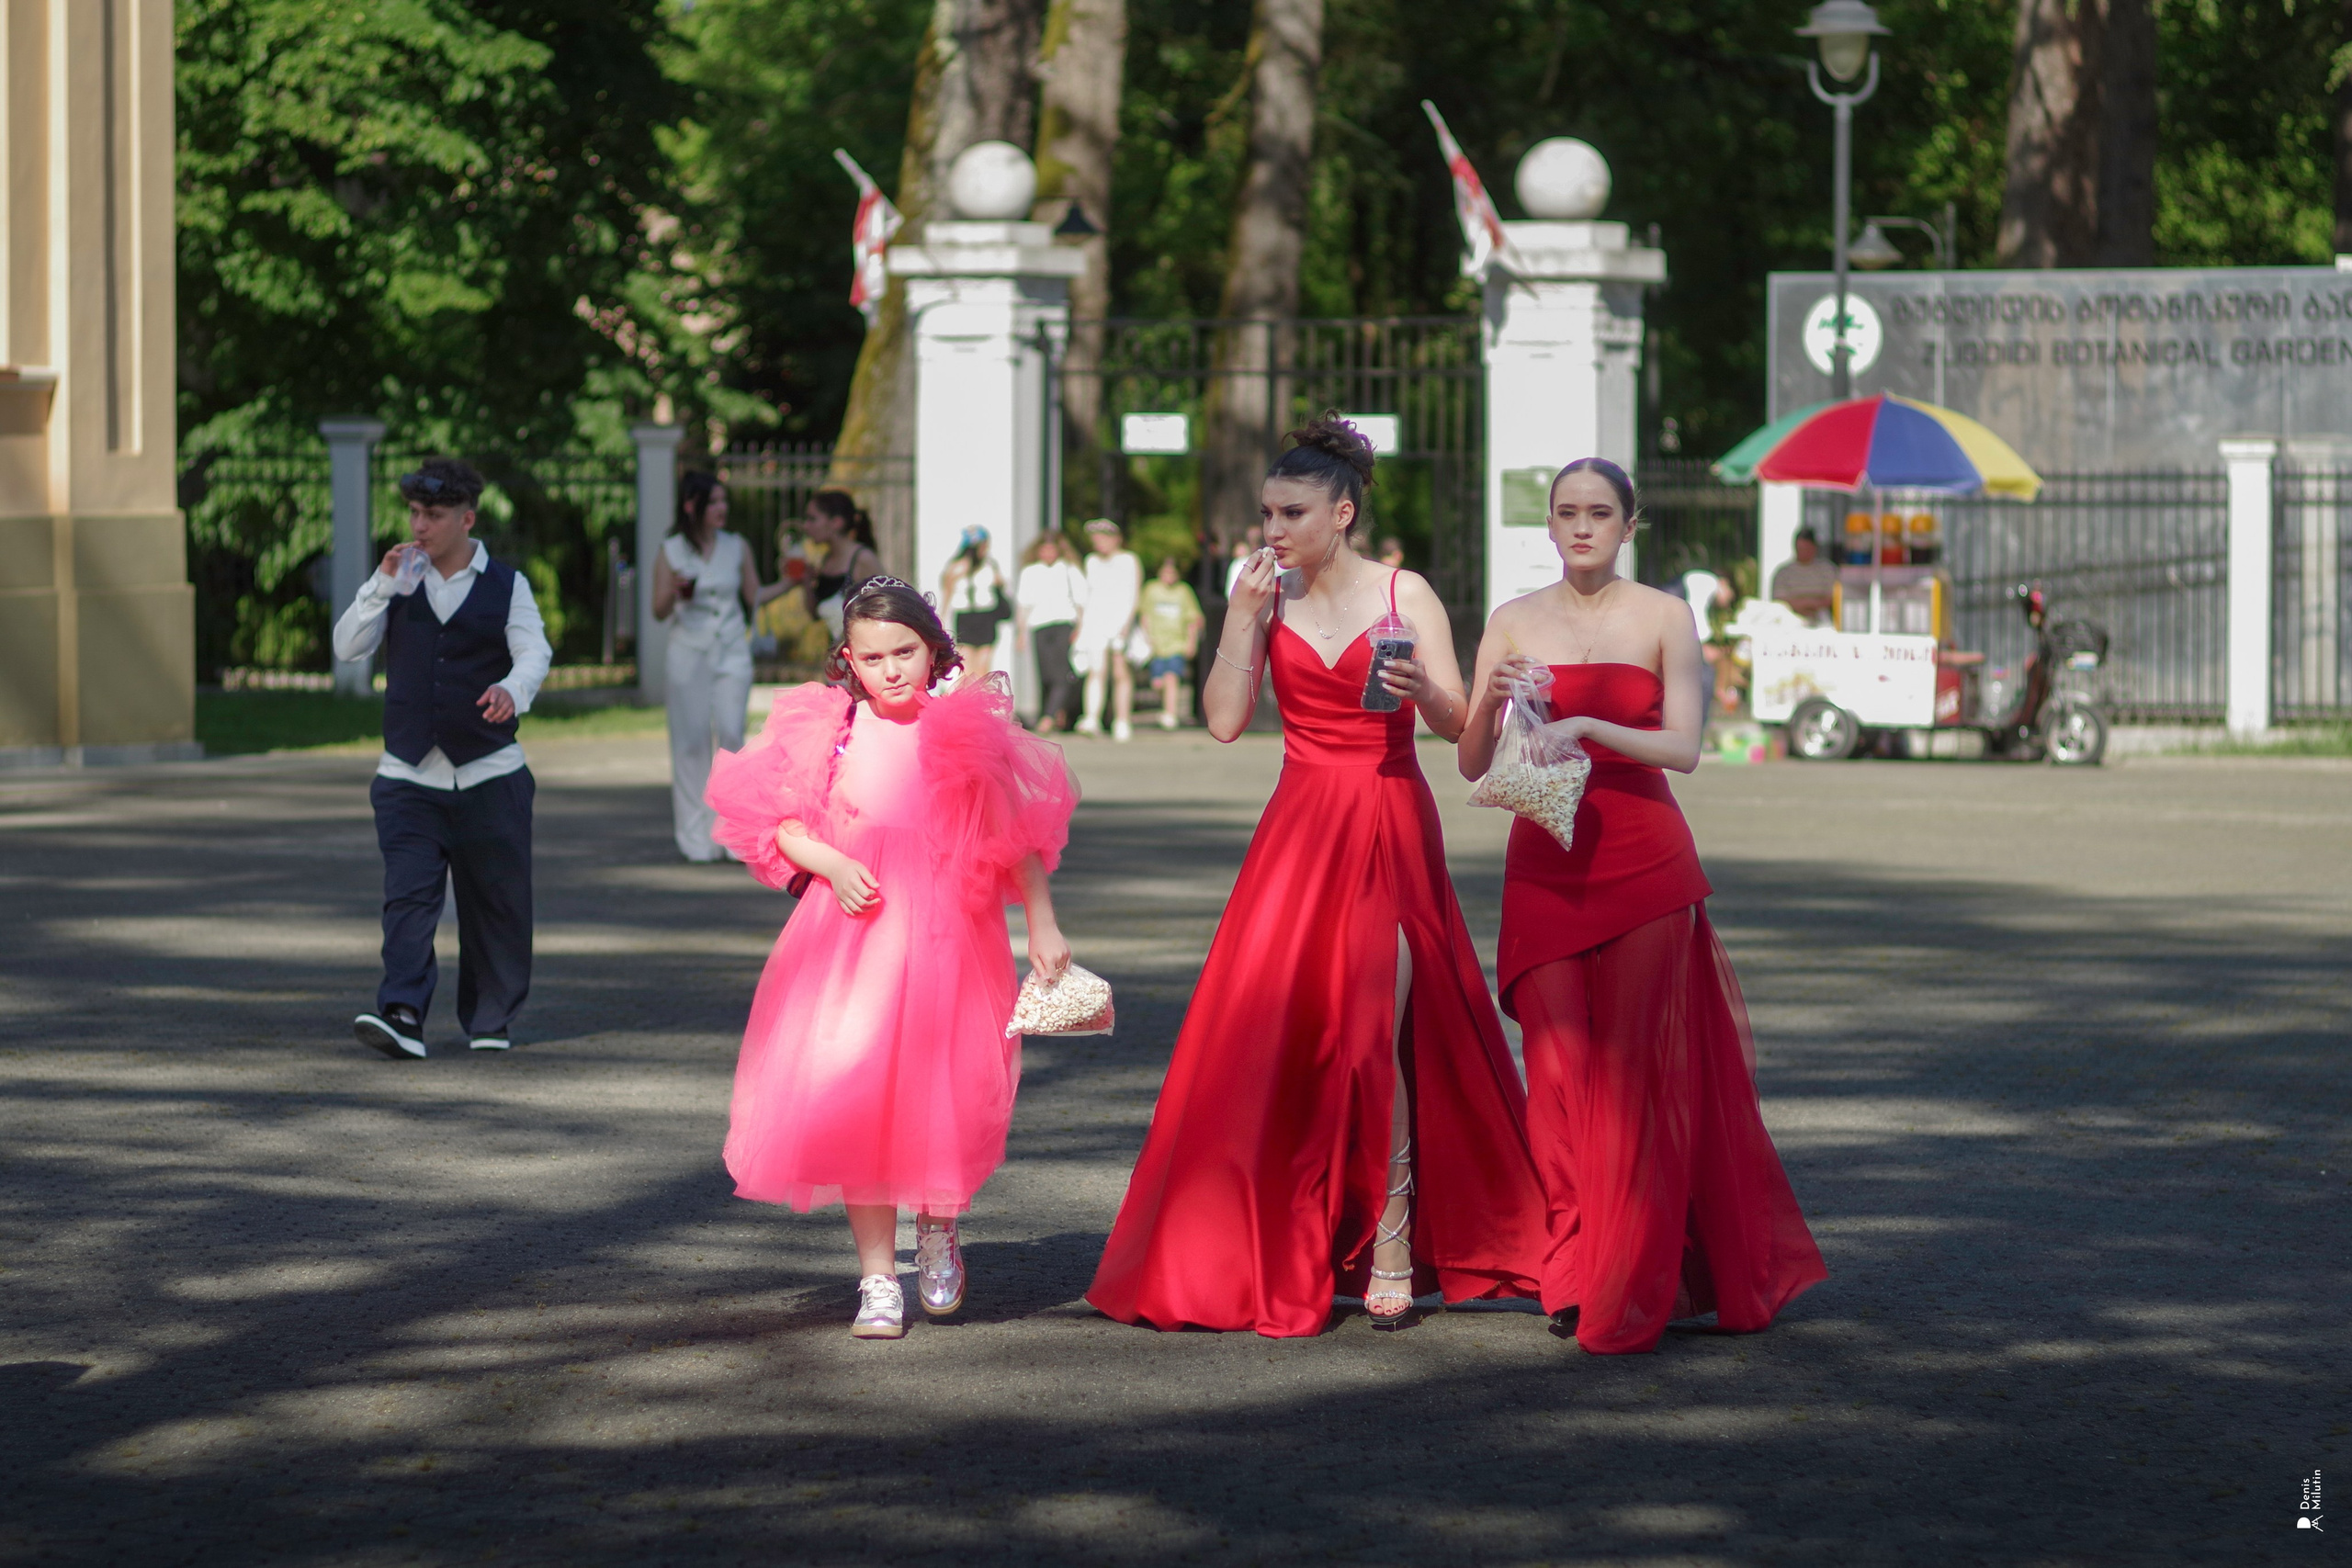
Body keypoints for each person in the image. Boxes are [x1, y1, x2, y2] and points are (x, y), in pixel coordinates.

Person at [1088, 415, 1551, 1337]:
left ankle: (1392, 1237)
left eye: (1291, 513)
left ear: (1342, 513)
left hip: (1386, 818)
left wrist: (1426, 692)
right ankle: (1279, 1231)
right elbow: (1224, 722)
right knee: (1282, 1031)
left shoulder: (1405, 593)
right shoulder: (1266, 598)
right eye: (1266, 513)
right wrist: (1240, 618)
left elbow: (1457, 723)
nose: (1273, 530)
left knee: (1377, 1028)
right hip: (1298, 831)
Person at [1460, 457, 1827, 1356]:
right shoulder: (1510, 619)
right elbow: (1470, 761)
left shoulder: (1665, 616)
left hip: (1645, 864)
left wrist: (1587, 725)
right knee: (1555, 1079)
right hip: (1543, 868)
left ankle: (1625, 1276)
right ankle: (1570, 1270)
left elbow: (1686, 747)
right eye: (1566, 513)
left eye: (1599, 513)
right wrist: (1490, 703)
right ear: (1549, 525)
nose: (1581, 527)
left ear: (1630, 526)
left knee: (1634, 1080)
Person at [704, 579, 1079, 1340]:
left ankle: (936, 1228)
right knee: (858, 1093)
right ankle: (877, 1274)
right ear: (849, 659)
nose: (890, 670)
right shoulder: (833, 728)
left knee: (942, 1085)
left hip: (949, 935)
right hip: (854, 936)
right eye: (871, 658)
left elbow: (1013, 836)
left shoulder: (960, 728)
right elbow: (782, 823)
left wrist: (1042, 922)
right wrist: (833, 862)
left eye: (904, 652)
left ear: (933, 649)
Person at [334, 457, 551, 1059]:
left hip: (490, 775)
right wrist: (380, 585)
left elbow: (534, 653)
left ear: (467, 518)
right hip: (407, 775)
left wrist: (512, 689)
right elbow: (347, 647)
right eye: (413, 512)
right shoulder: (397, 579)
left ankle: (490, 1018)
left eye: (432, 514)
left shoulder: (508, 584)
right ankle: (402, 1013)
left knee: (496, 904)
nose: (419, 526)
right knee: (408, 898)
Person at [653, 473, 790, 862]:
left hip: (731, 652)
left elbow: (754, 594)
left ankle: (731, 833)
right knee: (691, 743)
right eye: (713, 501)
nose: (722, 508)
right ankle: (695, 838)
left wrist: (792, 582)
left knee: (732, 735)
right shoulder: (671, 550)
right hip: (688, 654)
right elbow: (658, 610)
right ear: (691, 505)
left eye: (723, 501)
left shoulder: (736, 546)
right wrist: (674, 591)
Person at [1071, 518, 1141, 741]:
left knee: (1120, 671)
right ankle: (1092, 718)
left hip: (1120, 622)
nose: (1098, 542)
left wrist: (1127, 624)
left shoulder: (1129, 560)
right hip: (1095, 621)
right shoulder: (1091, 561)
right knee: (1096, 670)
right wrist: (1081, 626)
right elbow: (1087, 596)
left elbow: (1134, 594)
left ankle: (1122, 720)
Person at [1015, 532, 1087, 733]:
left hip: (1064, 624)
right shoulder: (1030, 571)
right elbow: (1023, 605)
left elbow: (1081, 601)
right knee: (1045, 673)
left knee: (1061, 673)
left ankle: (1049, 716)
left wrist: (1080, 628)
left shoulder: (1069, 569)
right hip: (1039, 625)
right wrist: (1021, 632)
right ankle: (1052, 712)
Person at [802, 490, 884, 638]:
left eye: (812, 519)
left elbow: (886, 609)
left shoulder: (862, 559)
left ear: (836, 522)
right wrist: (806, 581)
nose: (806, 526)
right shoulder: (825, 560)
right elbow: (816, 615)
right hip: (837, 650)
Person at [1136, 555, 1204, 730]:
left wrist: (1191, 642)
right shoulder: (1151, 589)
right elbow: (1144, 614)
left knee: (1171, 677)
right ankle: (1166, 706)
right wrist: (1146, 637)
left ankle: (1170, 714)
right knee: (1158, 683)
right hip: (1156, 645)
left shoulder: (1184, 591)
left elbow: (1193, 619)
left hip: (1176, 644)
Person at [940, 526, 1012, 683]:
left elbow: (1000, 586)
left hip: (986, 616)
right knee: (967, 665)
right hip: (965, 617)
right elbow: (947, 592)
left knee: (984, 665)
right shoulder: (956, 566)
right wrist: (942, 619)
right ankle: (971, 696)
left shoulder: (990, 565)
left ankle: (981, 696)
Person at [1769, 527, 1838, 626]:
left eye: (1806, 549)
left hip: (1821, 620)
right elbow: (1780, 602)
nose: (1803, 552)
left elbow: (1832, 597)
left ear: (1814, 548)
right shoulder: (1784, 573)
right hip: (1790, 620)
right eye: (1800, 548)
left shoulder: (1827, 570)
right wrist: (1807, 603)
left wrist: (1811, 605)